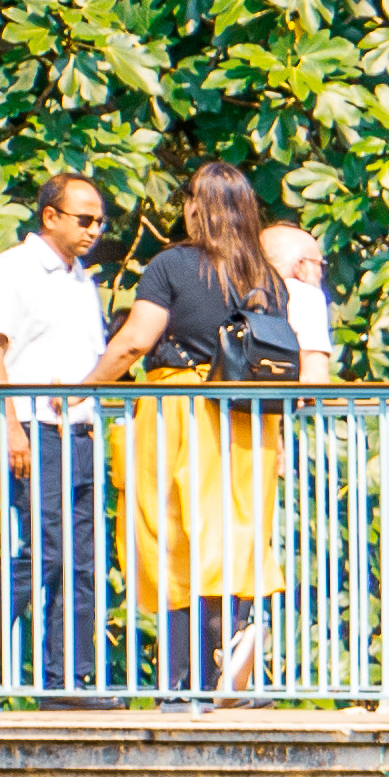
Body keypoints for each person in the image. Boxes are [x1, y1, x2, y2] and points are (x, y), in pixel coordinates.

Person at [84, 158, 295, 703]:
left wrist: (83, 389)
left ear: (196, 207)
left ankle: (182, 679)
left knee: (175, 536)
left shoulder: (173, 266)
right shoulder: (267, 277)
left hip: (182, 410)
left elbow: (136, 339)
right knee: (238, 535)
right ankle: (233, 645)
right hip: (251, 418)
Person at [0, 173, 112, 706]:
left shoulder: (81, 279)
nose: (94, 230)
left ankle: (67, 681)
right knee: (47, 553)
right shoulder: (13, 270)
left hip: (78, 431)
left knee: (82, 559)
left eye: (99, 221)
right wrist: (10, 425)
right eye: (85, 219)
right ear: (50, 216)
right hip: (32, 429)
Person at [260, 224, 337, 382]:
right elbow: (316, 377)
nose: (321, 273)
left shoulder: (244, 293)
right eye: (319, 264)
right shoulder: (306, 295)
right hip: (287, 404)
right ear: (300, 267)